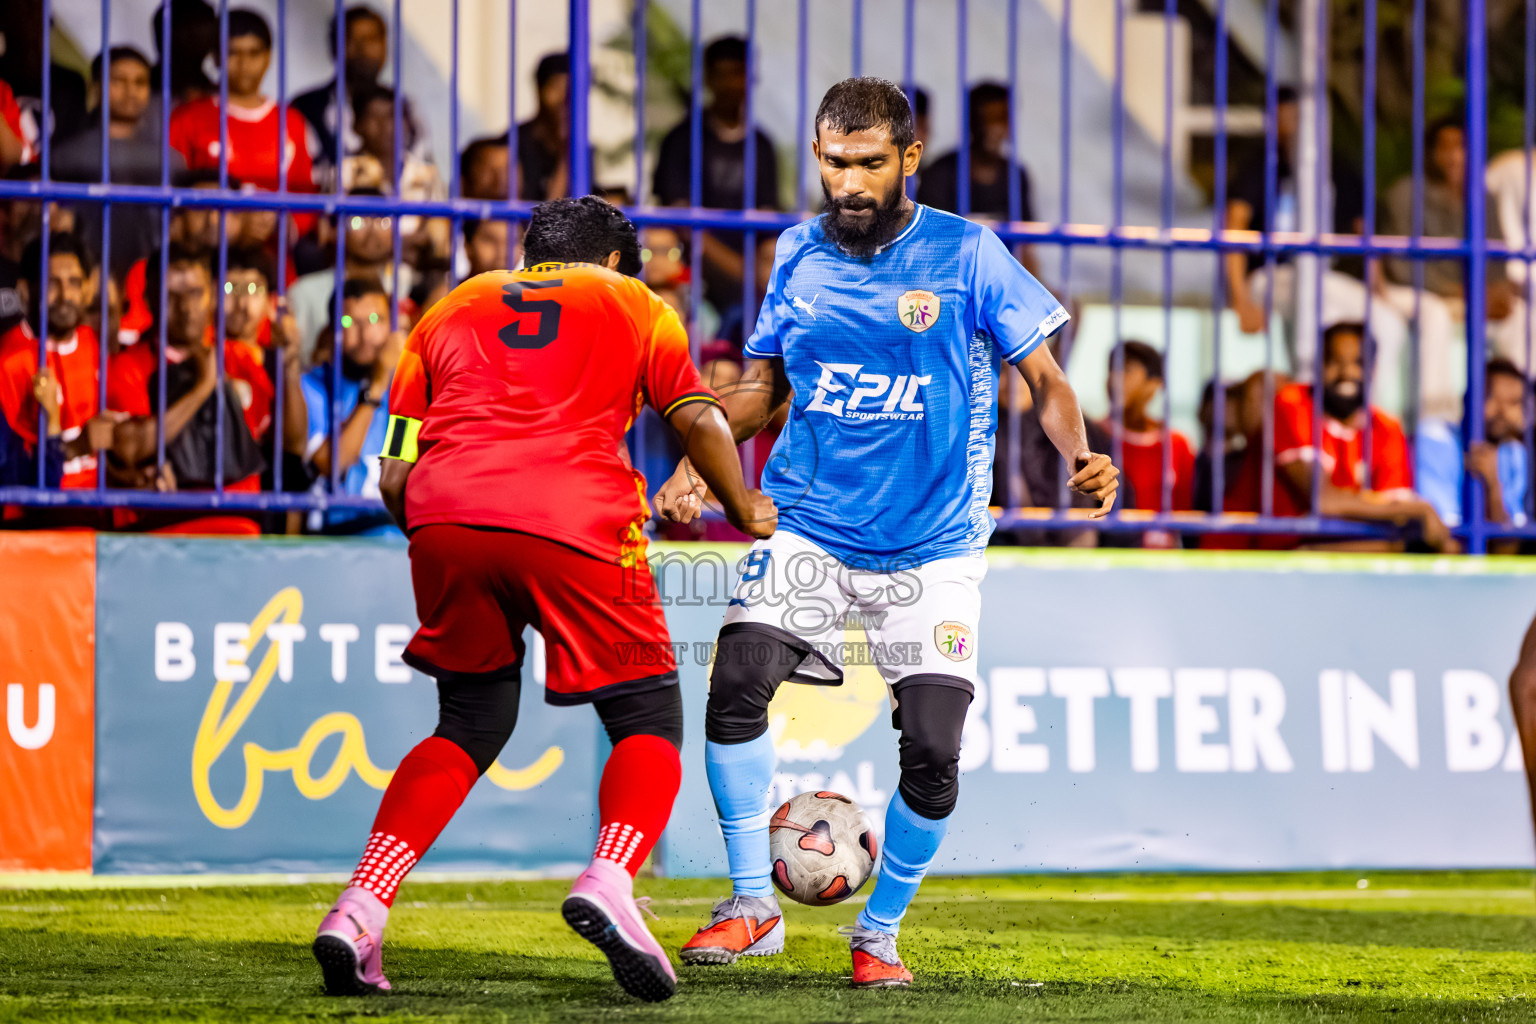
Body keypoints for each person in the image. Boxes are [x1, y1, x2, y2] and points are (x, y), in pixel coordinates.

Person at [653, 77, 1118, 987]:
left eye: (870, 164)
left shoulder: (969, 253)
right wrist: (695, 464)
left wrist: (1082, 453)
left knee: (935, 749)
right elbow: (760, 389)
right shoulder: (796, 254)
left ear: (908, 158)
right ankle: (753, 906)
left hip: (935, 545)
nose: (851, 184)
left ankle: (879, 932)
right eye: (835, 164)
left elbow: (1047, 379)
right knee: (737, 681)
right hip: (812, 527)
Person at [310, 196, 775, 1002]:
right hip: (575, 515)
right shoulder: (638, 304)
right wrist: (742, 507)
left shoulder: (443, 313)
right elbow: (698, 417)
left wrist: (439, 530)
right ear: (615, 261)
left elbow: (391, 467)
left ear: (530, 255)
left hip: (443, 512)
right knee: (647, 717)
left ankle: (360, 906)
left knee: (468, 720)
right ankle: (610, 878)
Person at [1224, 86, 1416, 392]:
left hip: (1330, 282)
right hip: (1271, 277)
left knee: (1388, 325)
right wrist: (1239, 300)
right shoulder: (1259, 167)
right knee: (1318, 306)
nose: (1289, 128)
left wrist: (1379, 288)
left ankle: (1360, 411)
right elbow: (1233, 229)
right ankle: (1317, 404)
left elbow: (1363, 232)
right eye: (1281, 120)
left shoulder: (1338, 167)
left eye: (1296, 119)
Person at [1227, 322, 1452, 550]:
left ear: (1374, 370)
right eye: (1334, 362)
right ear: (1317, 367)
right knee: (1410, 546)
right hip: (1267, 557)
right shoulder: (1292, 404)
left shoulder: (1386, 428)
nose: (1347, 373)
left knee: (1434, 546)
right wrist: (1418, 509)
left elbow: (1395, 512)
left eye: (1358, 363)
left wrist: (1403, 514)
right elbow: (1324, 500)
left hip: (1340, 556)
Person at [1384, 118, 1525, 403]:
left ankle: (1512, 413)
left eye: (1461, 147)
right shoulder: (1406, 193)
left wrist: (1496, 292)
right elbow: (1401, 266)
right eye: (1444, 147)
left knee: (1520, 316)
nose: (1453, 156)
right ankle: (1433, 418)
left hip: (1470, 296)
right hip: (1411, 292)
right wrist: (1463, 292)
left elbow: (1495, 257)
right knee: (1435, 316)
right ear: (1430, 153)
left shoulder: (1485, 199)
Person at [107, 248, 270, 493]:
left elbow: (282, 441)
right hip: (174, 520)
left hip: (242, 517)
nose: (185, 307)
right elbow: (130, 447)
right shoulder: (128, 367)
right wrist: (203, 386)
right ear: (150, 300)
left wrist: (290, 363)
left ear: (212, 296)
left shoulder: (237, 355)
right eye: (171, 296)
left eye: (195, 293)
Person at [652, 36, 781, 315]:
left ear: (749, 78)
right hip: (693, 258)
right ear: (708, 79)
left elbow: (768, 217)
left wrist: (753, 269)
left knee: (776, 252)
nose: (730, 85)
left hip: (750, 264)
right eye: (722, 75)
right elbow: (682, 220)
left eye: (736, 74)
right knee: (662, 243)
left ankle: (771, 352)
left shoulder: (762, 145)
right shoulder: (682, 139)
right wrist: (740, 270)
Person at [51, 47, 188, 283]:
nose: (130, 91)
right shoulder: (66, 156)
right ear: (96, 86)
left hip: (151, 280)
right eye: (118, 80)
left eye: (140, 82)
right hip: (85, 279)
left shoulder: (171, 161)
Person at [0, 233, 117, 489]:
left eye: (74, 282)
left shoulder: (90, 341)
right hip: (40, 518)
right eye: (52, 283)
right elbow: (12, 469)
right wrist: (77, 447)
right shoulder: (9, 360)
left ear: (87, 289)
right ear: (24, 291)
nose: (65, 295)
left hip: (96, 505)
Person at [167, 9, 317, 197]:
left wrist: (283, 221)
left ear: (268, 57)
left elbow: (306, 196)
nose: (244, 64)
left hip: (277, 226)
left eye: (253, 53)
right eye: (233, 53)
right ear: (215, 57)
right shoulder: (187, 119)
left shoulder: (292, 122)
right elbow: (172, 193)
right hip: (213, 225)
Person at [300, 276, 401, 533]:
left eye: (376, 320)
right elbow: (332, 463)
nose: (365, 334)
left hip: (396, 531)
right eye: (349, 322)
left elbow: (405, 462)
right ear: (330, 330)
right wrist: (376, 388)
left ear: (392, 325)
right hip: (339, 531)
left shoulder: (407, 387)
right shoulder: (312, 385)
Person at [916, 82, 1040, 277]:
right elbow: (931, 243)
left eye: (1002, 118)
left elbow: (1026, 247)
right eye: (987, 118)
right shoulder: (940, 172)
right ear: (971, 121)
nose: (996, 128)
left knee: (1067, 305)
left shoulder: (1016, 175)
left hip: (1004, 281)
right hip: (950, 279)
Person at [293, 5, 430, 176]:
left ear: (385, 46)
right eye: (352, 40)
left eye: (372, 39)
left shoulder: (406, 108)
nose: (363, 49)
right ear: (334, 47)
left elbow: (422, 169)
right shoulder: (305, 107)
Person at [1415, 358, 1529, 543]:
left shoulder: (1515, 454)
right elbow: (1444, 532)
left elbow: (1510, 537)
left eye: (1513, 402)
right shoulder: (1435, 441)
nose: (1503, 411)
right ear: (1468, 399)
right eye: (1492, 398)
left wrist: (1493, 485)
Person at [287, 189, 399, 363]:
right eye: (357, 221)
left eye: (384, 221)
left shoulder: (407, 287)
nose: (372, 230)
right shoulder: (305, 293)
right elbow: (300, 360)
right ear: (333, 229)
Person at [1104, 341, 1195, 540]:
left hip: (1164, 561)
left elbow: (1186, 515)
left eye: (1126, 370)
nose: (1113, 379)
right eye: (1111, 369)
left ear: (1154, 384)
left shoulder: (1177, 444)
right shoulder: (1095, 436)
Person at [516, 54, 571, 201]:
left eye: (571, 89)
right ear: (539, 89)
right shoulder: (517, 141)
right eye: (556, 87)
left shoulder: (582, 149)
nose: (564, 98)